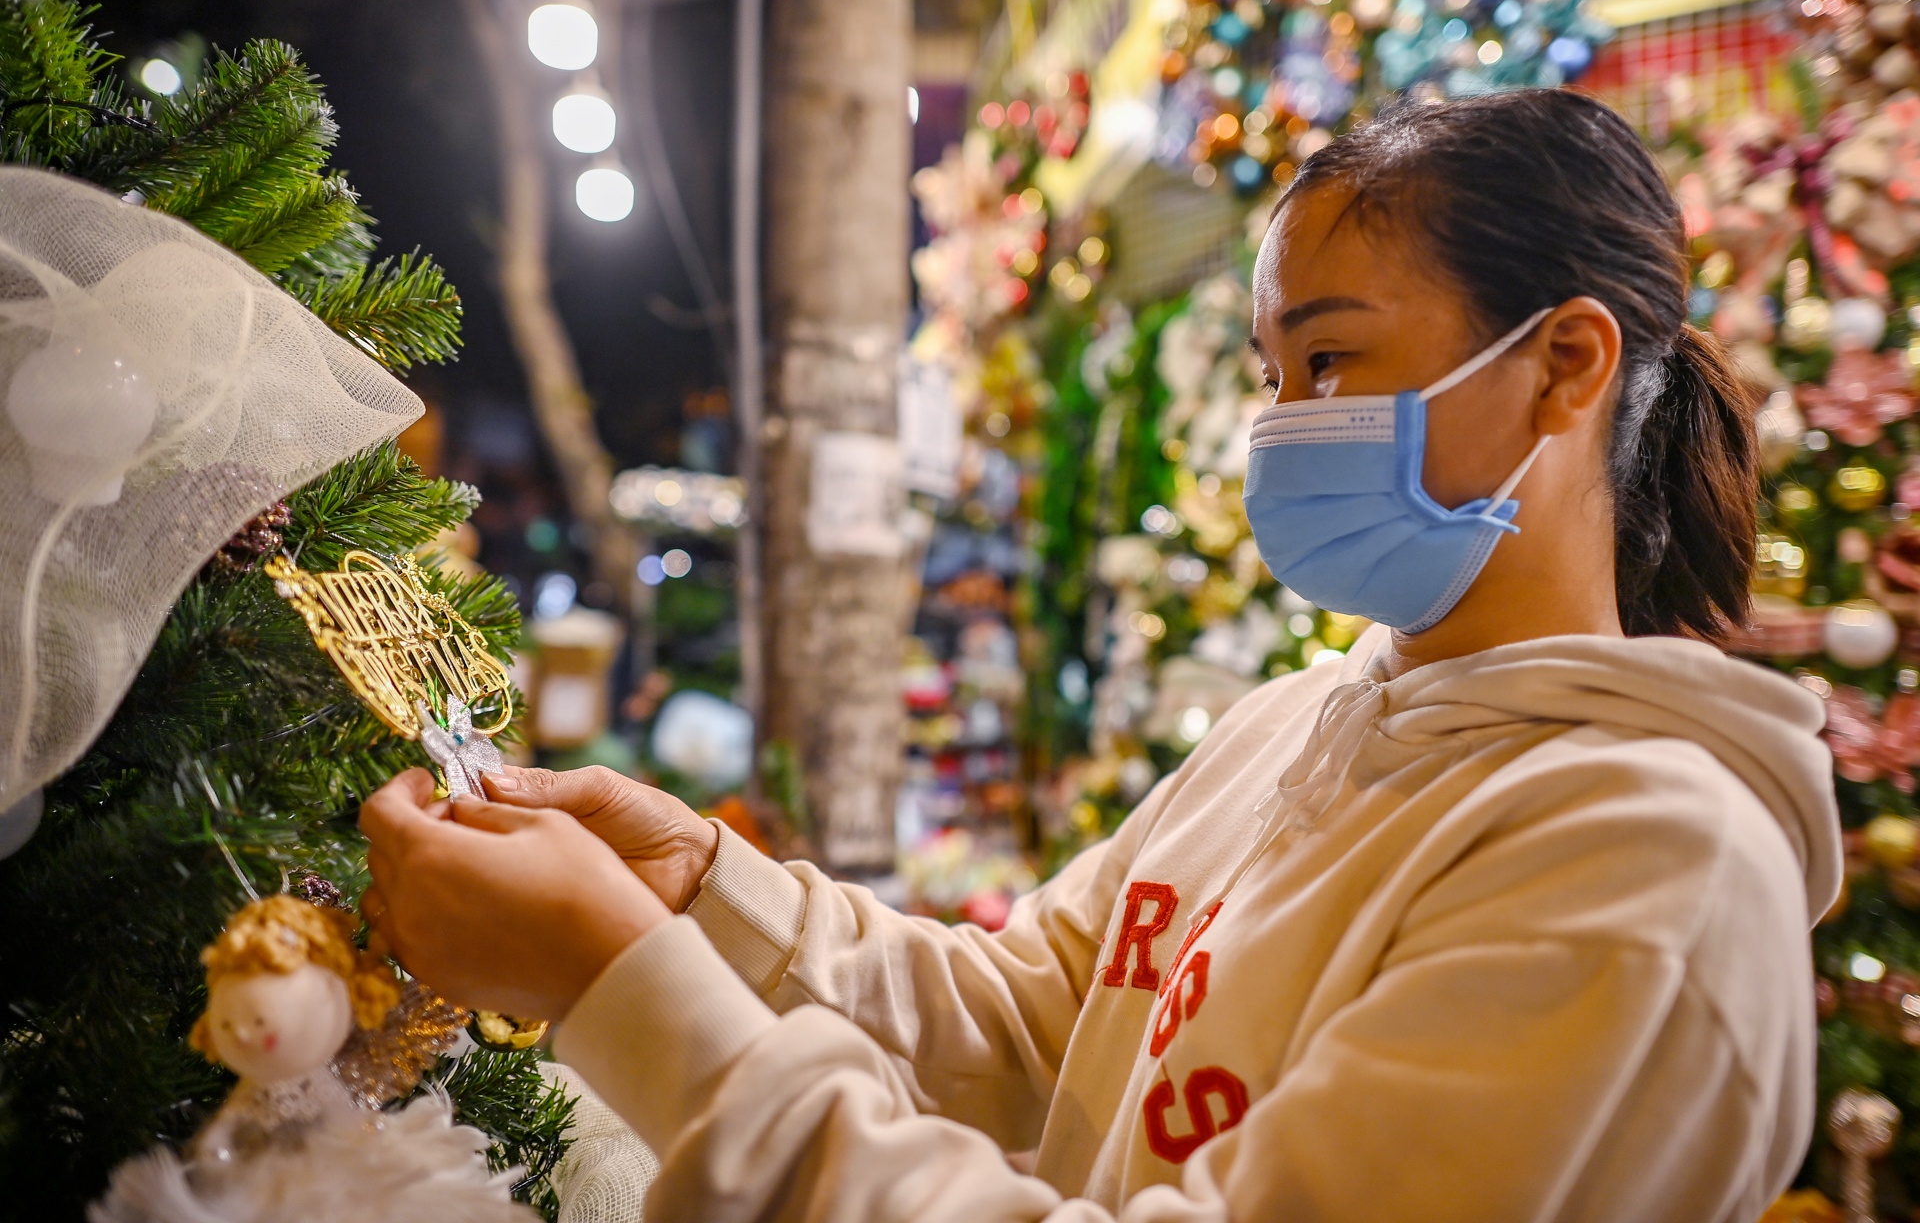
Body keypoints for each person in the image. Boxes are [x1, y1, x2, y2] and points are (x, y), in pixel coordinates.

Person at [359, 90, 1840, 1221]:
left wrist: (618, 985)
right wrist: (694, 886)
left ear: (1564, 364)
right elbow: (1026, 1020)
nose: (1280, 425)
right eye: (1271, 374)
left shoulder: (1647, 865)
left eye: (1332, 362)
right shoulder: (1298, 719)